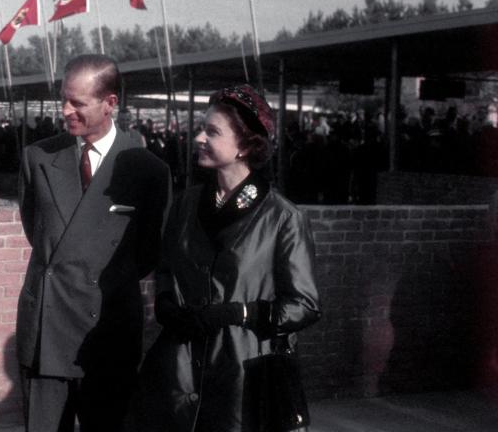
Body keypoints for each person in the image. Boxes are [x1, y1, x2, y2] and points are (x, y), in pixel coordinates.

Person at [138, 84, 321, 432]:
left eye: (212, 132)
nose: (198, 138)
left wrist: (242, 312)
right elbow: (165, 268)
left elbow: (306, 304)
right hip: (179, 369)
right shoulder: (186, 204)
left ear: (245, 147)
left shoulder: (282, 217)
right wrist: (165, 303)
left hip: (244, 373)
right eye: (200, 129)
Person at [17, 54, 171, 432]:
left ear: (110, 103)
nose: (65, 110)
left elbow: (149, 253)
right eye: (63, 99)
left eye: (78, 103)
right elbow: (36, 230)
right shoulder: (38, 158)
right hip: (46, 329)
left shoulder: (148, 169)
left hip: (107, 331)